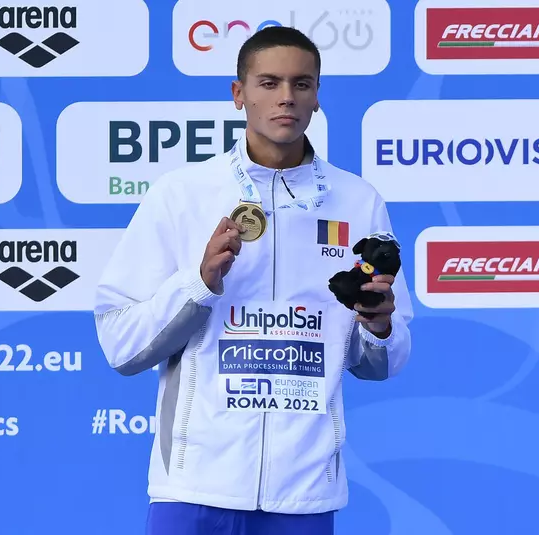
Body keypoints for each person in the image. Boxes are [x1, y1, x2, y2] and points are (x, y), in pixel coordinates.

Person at [94, 26, 413, 535]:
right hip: (195, 488)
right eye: (268, 83)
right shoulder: (181, 195)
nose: (286, 97)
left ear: (316, 96)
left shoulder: (358, 202)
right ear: (238, 94)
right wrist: (198, 284)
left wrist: (379, 327)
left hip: (304, 494)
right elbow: (120, 346)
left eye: (301, 84)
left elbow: (385, 362)